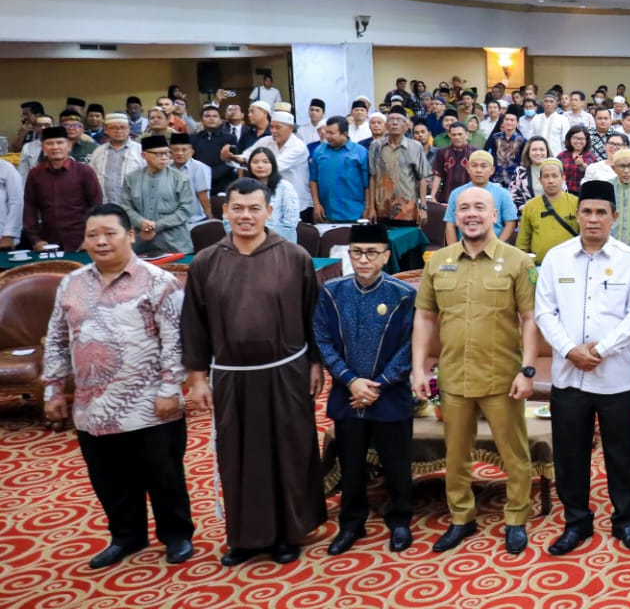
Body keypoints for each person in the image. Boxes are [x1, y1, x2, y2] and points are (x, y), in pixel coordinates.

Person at [181, 177, 326, 565]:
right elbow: (192, 323)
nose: (246, 216)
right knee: (239, 454)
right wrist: (196, 377)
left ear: (269, 212)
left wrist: (316, 362)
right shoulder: (206, 262)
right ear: (225, 211)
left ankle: (289, 532)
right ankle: (245, 536)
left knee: (289, 451)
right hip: (231, 376)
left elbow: (314, 315)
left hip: (287, 372)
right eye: (238, 209)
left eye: (254, 208)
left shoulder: (294, 257)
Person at [42, 204, 192, 568]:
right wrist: (53, 389)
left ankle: (176, 536)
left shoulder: (160, 283)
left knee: (163, 474)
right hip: (92, 406)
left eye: (110, 233)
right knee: (109, 477)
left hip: (150, 405)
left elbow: (177, 341)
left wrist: (171, 390)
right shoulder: (71, 283)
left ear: (130, 235)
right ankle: (126, 537)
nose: (101, 241)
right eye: (93, 235)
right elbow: (57, 339)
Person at [412, 186, 539, 556]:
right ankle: (461, 517)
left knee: (513, 452)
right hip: (453, 376)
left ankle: (516, 517)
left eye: (480, 208)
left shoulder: (518, 262)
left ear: (495, 215)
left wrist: (527, 369)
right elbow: (424, 315)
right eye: (463, 207)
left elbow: (530, 319)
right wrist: (418, 367)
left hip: (502, 376)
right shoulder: (438, 261)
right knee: (455, 452)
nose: (472, 214)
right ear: (454, 215)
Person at [535, 180, 630, 555]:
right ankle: (576, 522)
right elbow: (544, 312)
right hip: (569, 375)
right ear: (577, 214)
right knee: (570, 454)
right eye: (586, 211)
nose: (593, 219)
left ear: (614, 217)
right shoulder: (556, 259)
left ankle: (626, 522)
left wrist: (599, 349)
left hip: (615, 375)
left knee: (622, 453)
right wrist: (571, 350)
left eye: (601, 212)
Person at [313, 224, 416, 555]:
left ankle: (400, 520)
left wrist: (380, 384)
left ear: (386, 256)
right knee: (351, 462)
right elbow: (322, 340)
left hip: (391, 393)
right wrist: (350, 379)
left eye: (372, 253)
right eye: (357, 252)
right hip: (348, 393)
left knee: (397, 461)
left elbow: (411, 346)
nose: (363, 260)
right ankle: (351, 522)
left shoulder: (404, 294)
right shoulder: (331, 292)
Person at [23, 125, 103, 252]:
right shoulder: (35, 174)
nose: (55, 147)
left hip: (81, 243)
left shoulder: (84, 171)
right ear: (43, 147)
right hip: (48, 244)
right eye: (50, 143)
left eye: (60, 142)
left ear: (69, 146)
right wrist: (35, 240)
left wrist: (91, 239)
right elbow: (30, 208)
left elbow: (97, 207)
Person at [122, 135, 194, 255]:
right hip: (140, 242)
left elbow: (186, 210)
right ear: (144, 155)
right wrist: (141, 222)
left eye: (167, 153)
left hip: (174, 243)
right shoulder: (131, 179)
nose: (164, 158)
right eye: (159, 154)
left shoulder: (180, 179)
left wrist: (157, 225)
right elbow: (125, 207)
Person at [443, 150, 517, 244]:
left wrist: (497, 246)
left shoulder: (503, 194)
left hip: (495, 248)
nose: (478, 170)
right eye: (474, 166)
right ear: (468, 169)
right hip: (464, 248)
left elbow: (510, 224)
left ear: (492, 170)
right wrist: (453, 252)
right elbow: (450, 224)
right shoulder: (457, 194)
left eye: (483, 166)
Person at [307, 116, 370, 224]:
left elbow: (367, 185)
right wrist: (316, 204)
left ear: (344, 134)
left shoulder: (360, 152)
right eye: (326, 132)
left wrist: (368, 208)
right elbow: (313, 180)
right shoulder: (319, 151)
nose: (327, 136)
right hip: (326, 214)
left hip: (354, 213)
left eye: (331, 133)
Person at [243, 146, 301, 243]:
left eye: (265, 162)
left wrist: (260, 238)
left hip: (280, 243)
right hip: (246, 241)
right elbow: (229, 222)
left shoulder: (285, 187)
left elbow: (290, 224)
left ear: (273, 165)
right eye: (255, 162)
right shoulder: (241, 188)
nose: (260, 166)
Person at [86, 113, 141, 207]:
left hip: (133, 208)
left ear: (129, 129)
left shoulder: (140, 150)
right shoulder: (98, 151)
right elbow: (91, 178)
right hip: (104, 207)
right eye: (113, 128)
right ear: (106, 130)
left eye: (123, 127)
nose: (119, 131)